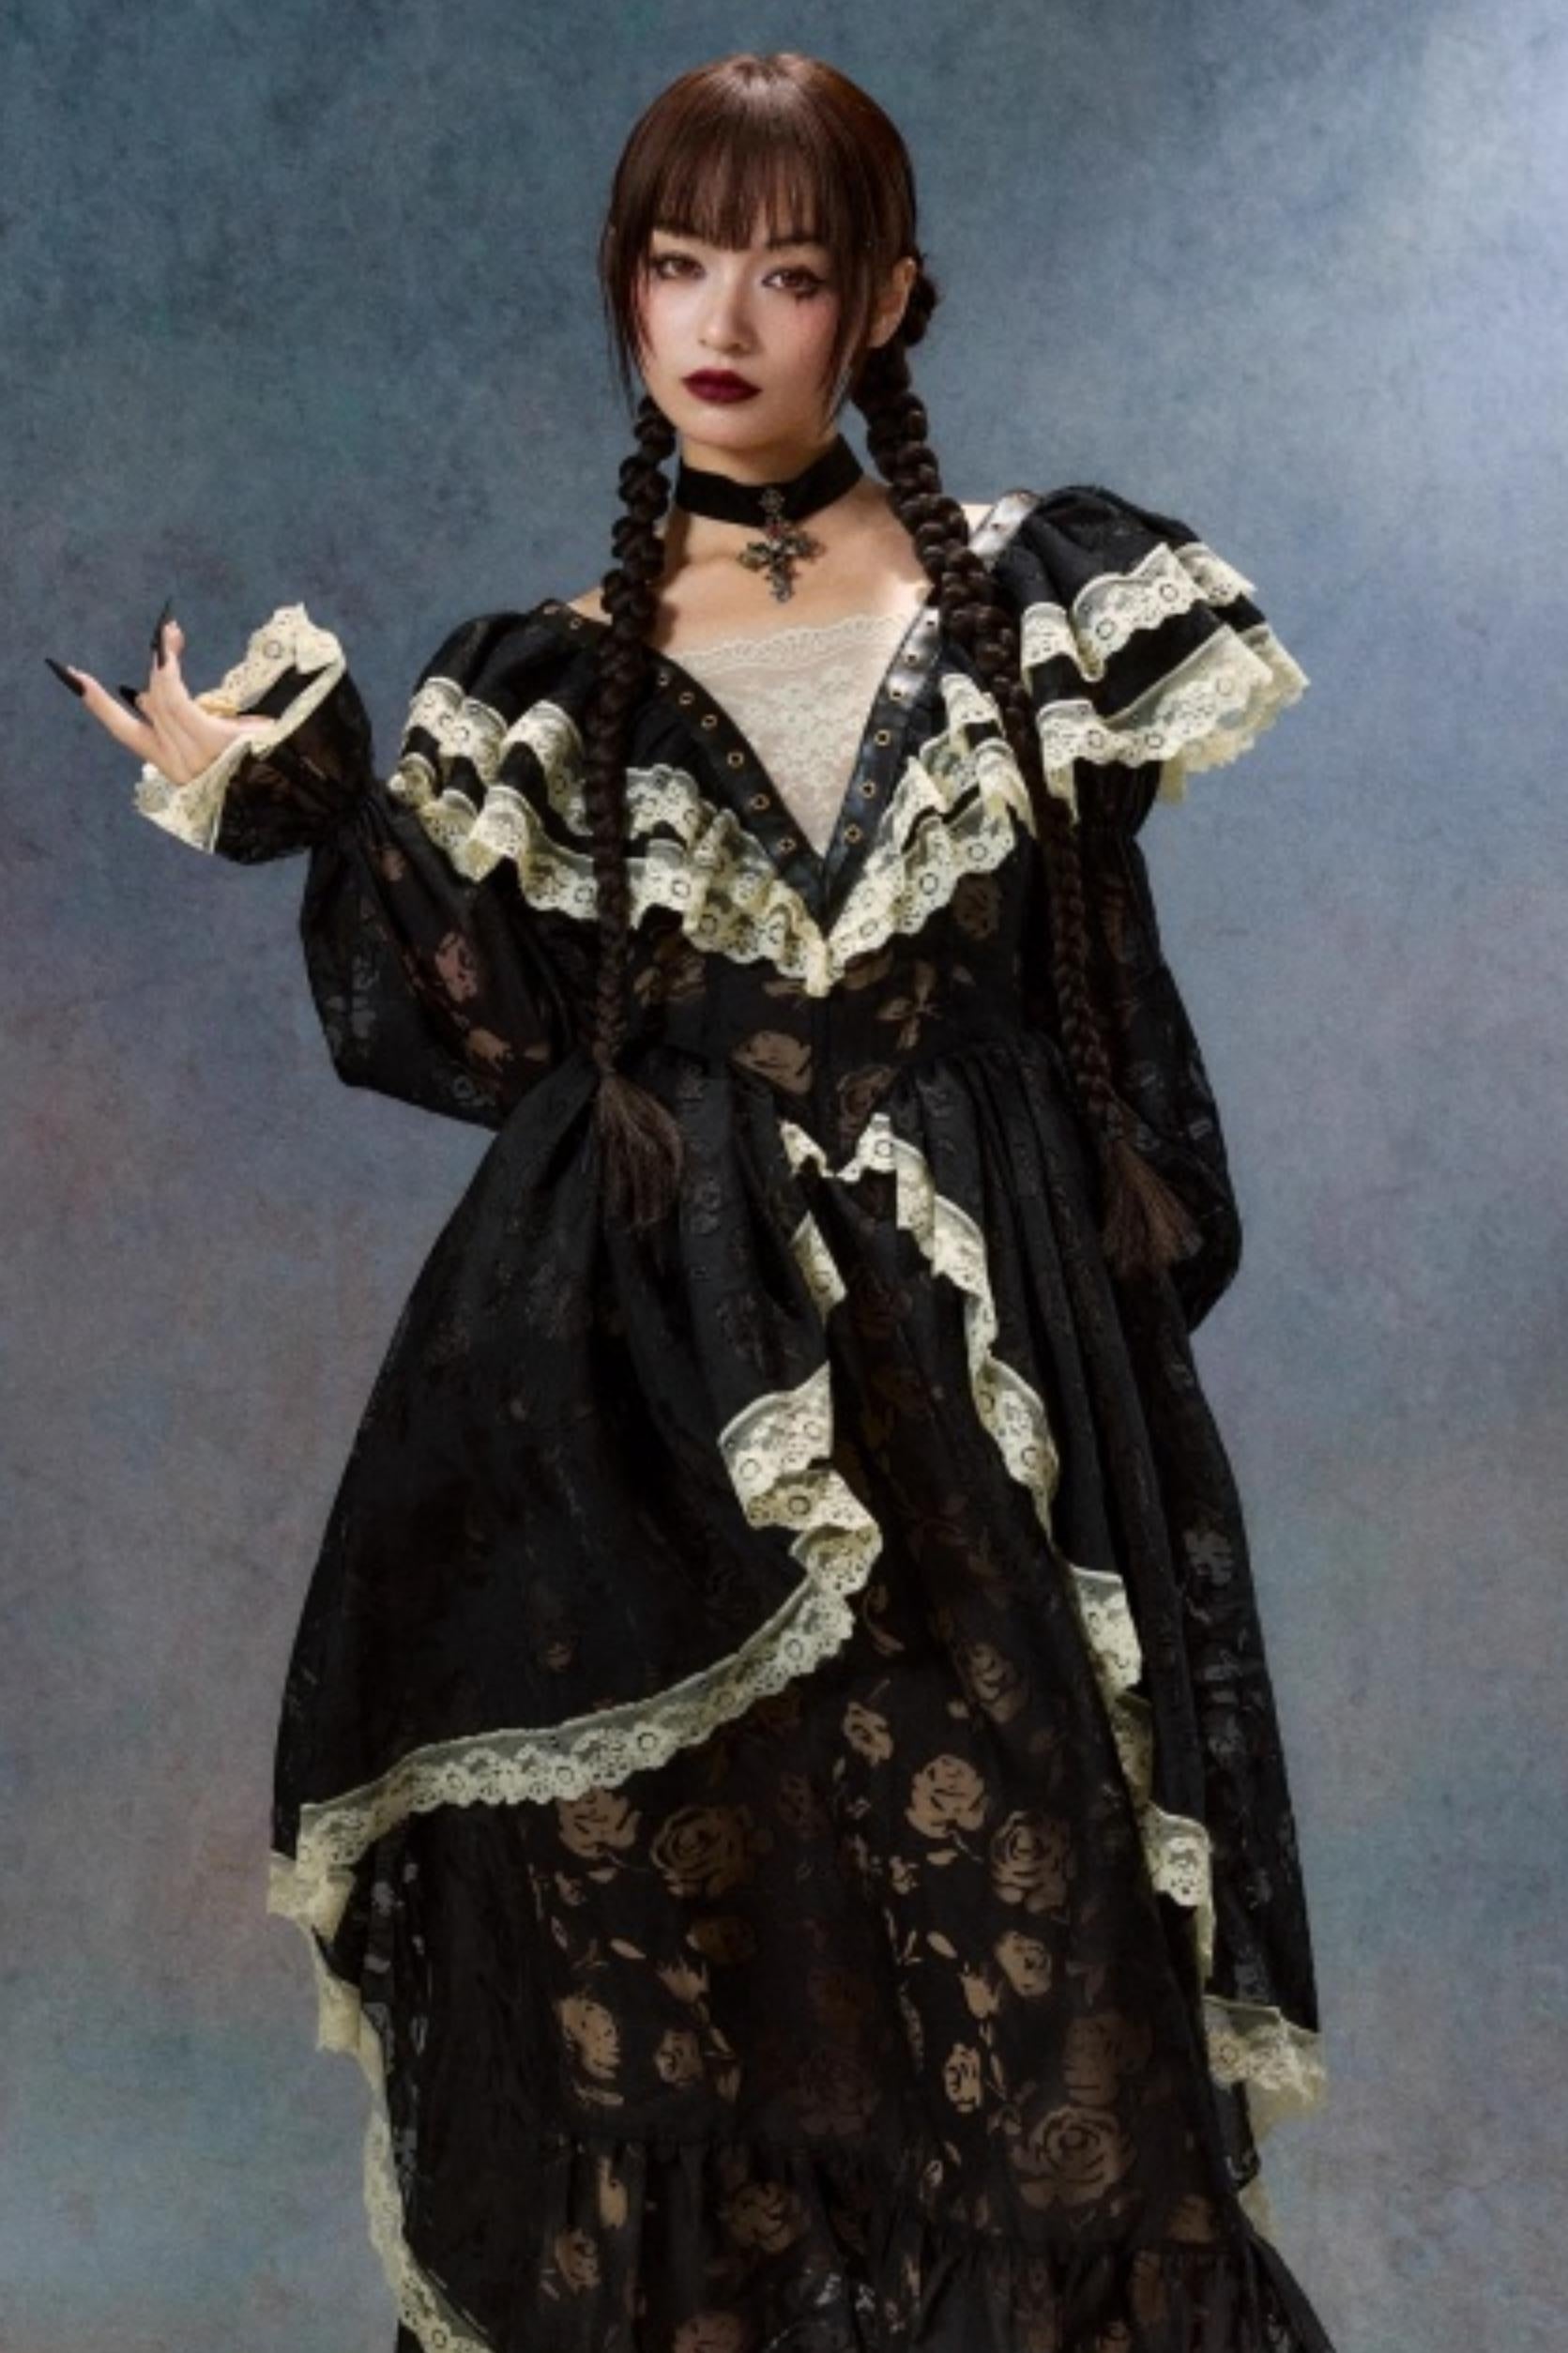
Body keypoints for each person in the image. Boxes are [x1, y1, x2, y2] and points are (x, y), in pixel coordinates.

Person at [51, 48, 1336, 2353]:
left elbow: (1108, 1038)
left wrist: (1092, 1350)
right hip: (650, 1441)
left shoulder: (1038, 599)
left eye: (786, 270)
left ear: (886, 300)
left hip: (977, 1423)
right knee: (702, 2027)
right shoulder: (550, 681)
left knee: (1046, 2028)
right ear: (623, 291)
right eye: (672, 264)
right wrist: (306, 810)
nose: (720, 320)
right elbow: (488, 1040)